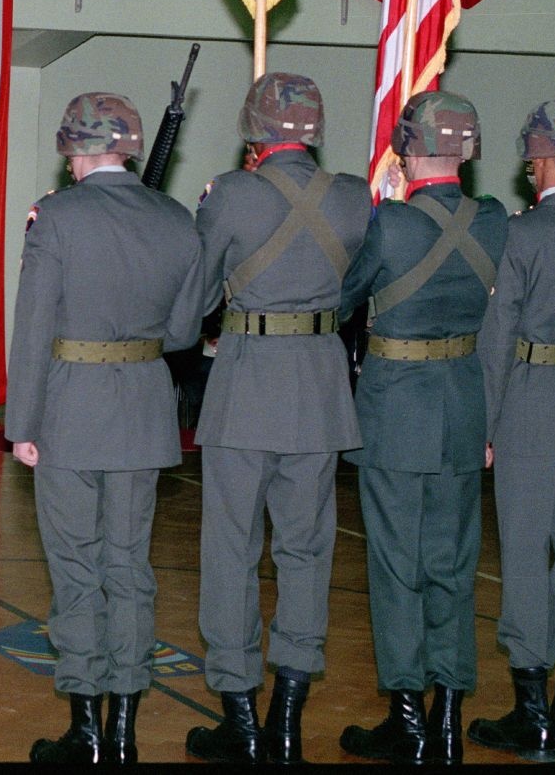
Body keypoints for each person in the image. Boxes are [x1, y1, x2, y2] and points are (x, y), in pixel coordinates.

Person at [9, 94, 207, 764]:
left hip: (70, 405)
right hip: (145, 407)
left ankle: (85, 727)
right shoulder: (177, 220)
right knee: (130, 567)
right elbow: (183, 331)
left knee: (75, 568)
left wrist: (21, 424)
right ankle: (124, 726)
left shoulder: (57, 218)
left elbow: (34, 327)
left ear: (73, 148)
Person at [185, 73, 372, 765]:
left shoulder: (232, 194)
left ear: (254, 128)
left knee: (231, 552)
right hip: (321, 388)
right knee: (307, 553)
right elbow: (354, 291)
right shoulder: (354, 197)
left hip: (245, 388)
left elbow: (199, 295)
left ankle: (240, 710)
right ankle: (288, 717)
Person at [334, 92, 508, 764]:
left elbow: (343, 296)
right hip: (464, 407)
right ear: (467, 149)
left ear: (406, 151)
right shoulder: (493, 221)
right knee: (454, 564)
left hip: (396, 409)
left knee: (396, 566)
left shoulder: (393, 225)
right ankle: (449, 714)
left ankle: (406, 714)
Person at [468, 100, 555, 764]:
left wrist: (485, 426)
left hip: (531, 406)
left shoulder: (524, 234)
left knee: (524, 559)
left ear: (535, 160)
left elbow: (498, 338)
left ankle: (532, 713)